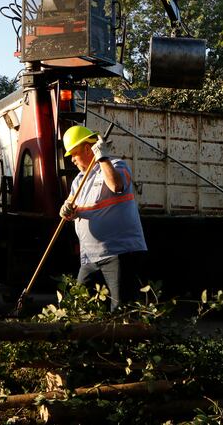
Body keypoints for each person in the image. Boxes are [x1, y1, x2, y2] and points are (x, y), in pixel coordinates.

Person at [59, 125, 147, 310]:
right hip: (90, 257)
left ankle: (126, 338)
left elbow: (116, 186)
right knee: (81, 306)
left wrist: (102, 157)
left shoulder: (116, 166)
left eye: (74, 153)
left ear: (87, 147)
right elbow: (68, 207)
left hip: (119, 253)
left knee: (122, 310)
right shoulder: (78, 180)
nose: (72, 159)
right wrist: (65, 211)